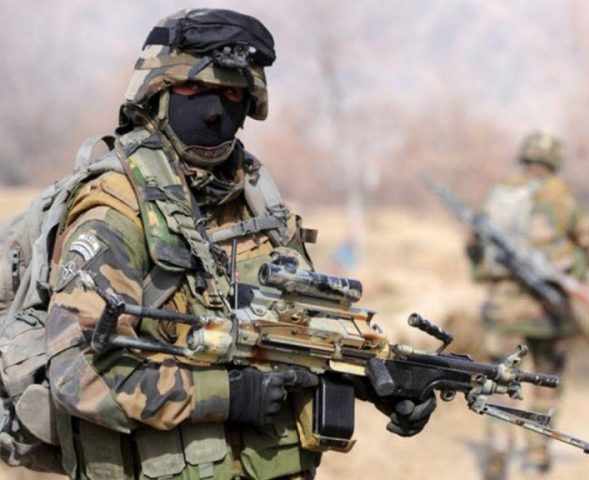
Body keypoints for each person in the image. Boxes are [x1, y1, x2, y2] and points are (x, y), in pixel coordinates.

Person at [45, 9, 434, 480]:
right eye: (195, 91)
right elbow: (79, 374)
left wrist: (375, 381)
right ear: (158, 95)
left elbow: (295, 338)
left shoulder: (256, 200)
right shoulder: (116, 206)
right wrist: (228, 396)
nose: (214, 111)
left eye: (231, 94)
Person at [466, 132, 589, 476]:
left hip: (503, 309)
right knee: (546, 380)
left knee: (498, 379)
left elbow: (474, 247)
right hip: (549, 313)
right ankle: (537, 454)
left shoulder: (500, 197)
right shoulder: (562, 197)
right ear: (555, 160)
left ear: (524, 157)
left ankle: (498, 445)